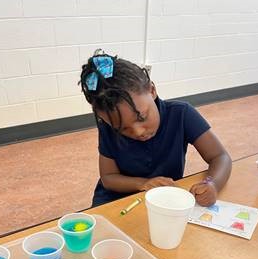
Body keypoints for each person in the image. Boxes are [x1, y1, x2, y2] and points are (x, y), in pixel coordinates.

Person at [79, 51, 232, 207]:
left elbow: (220, 157)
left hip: (163, 200)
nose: (138, 132)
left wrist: (212, 183)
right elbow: (109, 178)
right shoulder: (108, 127)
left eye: (142, 117)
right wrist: (143, 184)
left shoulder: (181, 114)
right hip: (116, 201)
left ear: (152, 90)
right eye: (122, 129)